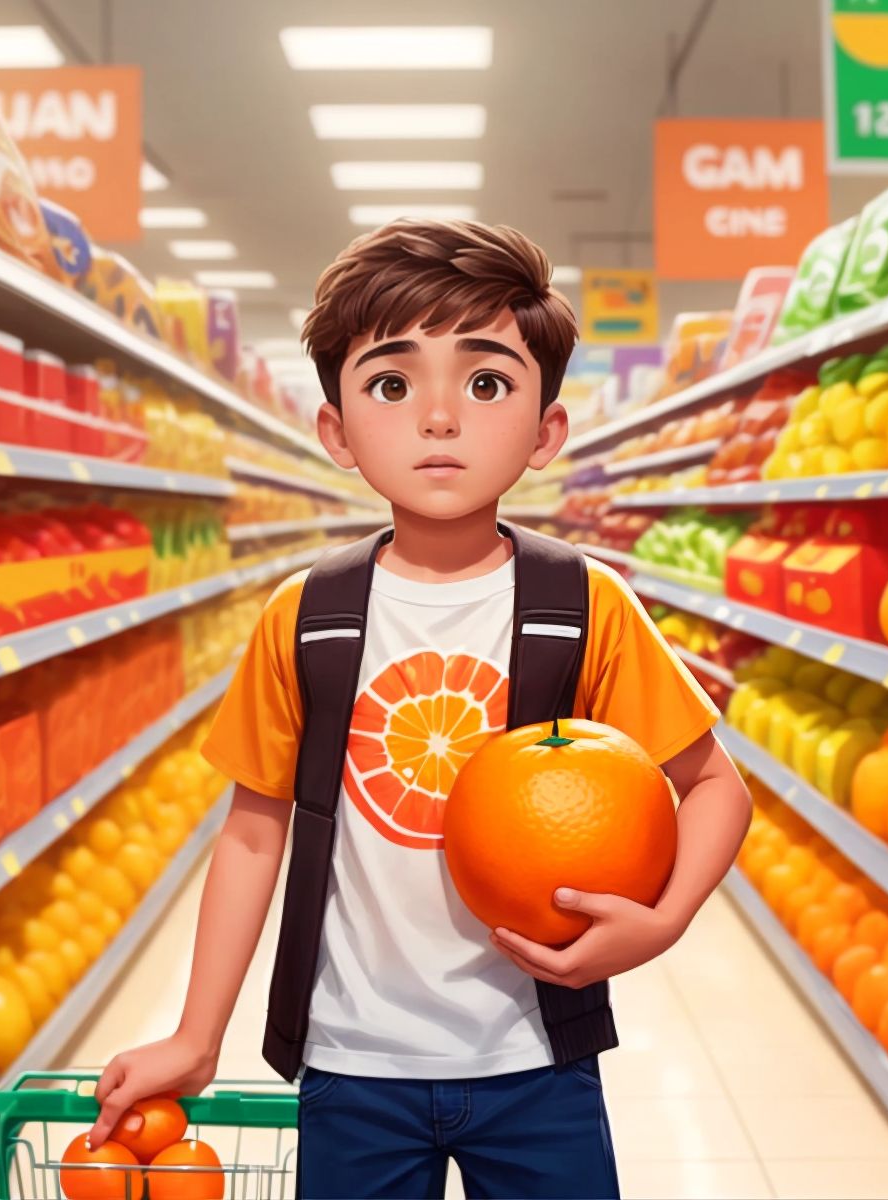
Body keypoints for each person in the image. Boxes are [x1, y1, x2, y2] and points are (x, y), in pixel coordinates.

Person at [87, 219, 752, 1199]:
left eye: (486, 384)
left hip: (537, 1056)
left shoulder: (583, 604)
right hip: (352, 1061)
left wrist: (661, 923)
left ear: (546, 430)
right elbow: (252, 835)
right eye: (392, 385)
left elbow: (713, 790)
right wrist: (198, 1033)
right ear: (337, 431)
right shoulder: (305, 617)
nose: (439, 419)